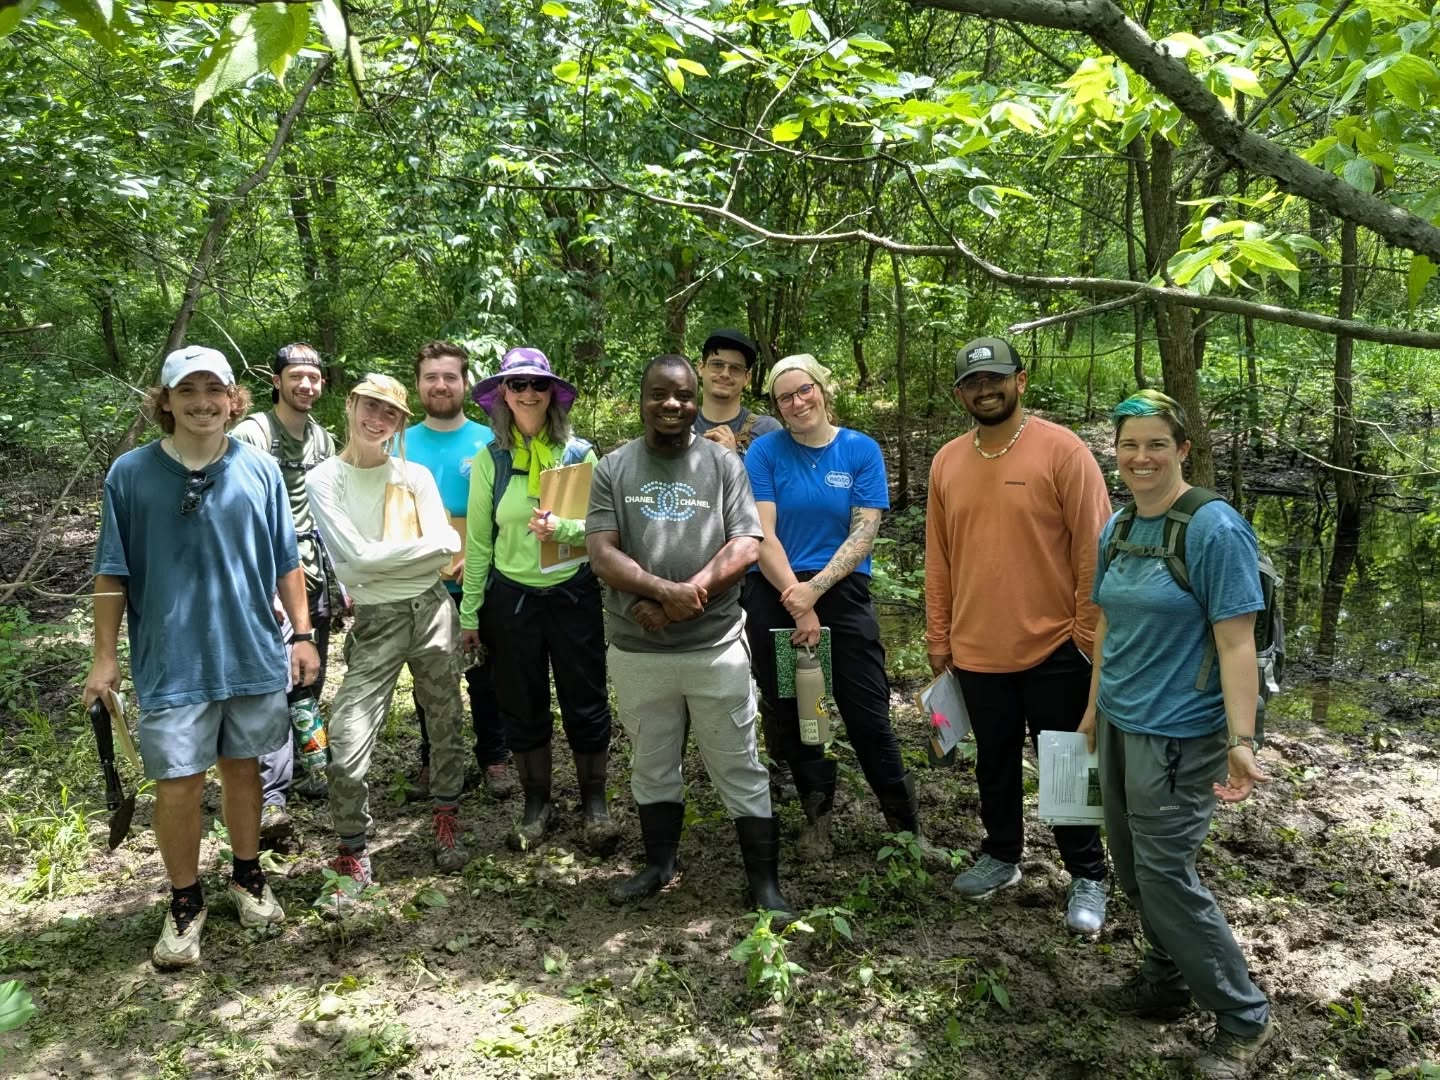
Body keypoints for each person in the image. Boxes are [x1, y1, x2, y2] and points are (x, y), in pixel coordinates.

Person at [84, 345, 318, 968]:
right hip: (172, 658)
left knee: (244, 768)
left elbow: (286, 558)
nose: (203, 402)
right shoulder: (130, 475)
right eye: (187, 391)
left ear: (233, 398)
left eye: (214, 390)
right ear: (165, 400)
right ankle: (185, 900)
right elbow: (111, 571)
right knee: (179, 783)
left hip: (250, 649)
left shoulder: (259, 469)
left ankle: (248, 876)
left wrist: (302, 634)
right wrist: (104, 657)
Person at [1080, 390, 1275, 1077]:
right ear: (1115, 452)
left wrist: (1242, 742)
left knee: (1166, 875)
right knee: (1134, 870)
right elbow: (1108, 625)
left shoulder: (1214, 529)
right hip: (1120, 722)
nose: (1142, 457)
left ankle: (1244, 1018)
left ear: (1183, 449)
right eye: (1129, 445)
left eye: (1156, 444)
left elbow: (1236, 642)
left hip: (1179, 736)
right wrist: (1093, 709)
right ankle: (1165, 983)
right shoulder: (1119, 527)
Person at [587, 354, 792, 920]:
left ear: (695, 399)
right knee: (652, 762)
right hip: (637, 649)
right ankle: (659, 865)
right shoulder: (614, 468)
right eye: (659, 394)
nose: (671, 404)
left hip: (714, 646)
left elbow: (746, 544)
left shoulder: (723, 464)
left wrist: (683, 600)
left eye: (681, 394)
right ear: (642, 400)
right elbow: (601, 551)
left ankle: (764, 884)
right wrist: (660, 591)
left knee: (739, 763)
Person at [924, 336, 1110, 934]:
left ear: (1020, 381)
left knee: (1067, 765)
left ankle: (1087, 873)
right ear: (960, 394)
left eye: (995, 379)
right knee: (994, 763)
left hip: (1056, 646)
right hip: (977, 648)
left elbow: (1095, 549)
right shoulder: (947, 461)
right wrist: (938, 633)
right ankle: (1002, 854)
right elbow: (939, 556)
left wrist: (1085, 636)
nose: (985, 391)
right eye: (972, 383)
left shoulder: (1063, 451)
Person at [742, 353, 942, 864]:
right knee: (798, 712)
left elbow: (864, 531)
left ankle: (908, 829)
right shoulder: (764, 451)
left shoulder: (859, 449)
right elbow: (762, 533)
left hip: (842, 592)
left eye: (803, 390)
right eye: (784, 397)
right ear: (776, 407)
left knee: (867, 711)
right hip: (776, 591)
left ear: (822, 389)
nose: (796, 402)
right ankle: (818, 823)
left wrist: (815, 591)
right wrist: (797, 599)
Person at [305, 374, 471, 913]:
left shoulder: (413, 474)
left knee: (445, 720)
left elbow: (448, 548)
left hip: (432, 610)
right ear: (351, 405)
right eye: (370, 407)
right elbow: (352, 562)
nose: (377, 420)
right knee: (348, 736)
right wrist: (412, 553)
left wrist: (378, 561)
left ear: (400, 423)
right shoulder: (325, 478)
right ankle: (353, 848)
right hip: (376, 620)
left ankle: (446, 816)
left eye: (390, 414)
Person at [458, 347, 618, 853]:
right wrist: (469, 614)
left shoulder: (580, 455)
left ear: (553, 393)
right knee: (520, 702)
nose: (528, 393)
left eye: (538, 384)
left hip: (572, 593)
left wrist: (562, 528)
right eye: (517, 384)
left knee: (585, 697)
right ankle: (536, 804)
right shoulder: (490, 460)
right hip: (511, 599)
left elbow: (604, 530)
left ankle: (595, 803)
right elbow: (479, 543)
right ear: (503, 394)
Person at [231, 342, 337, 842]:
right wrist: (259, 584)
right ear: (277, 381)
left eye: (313, 378)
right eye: (296, 376)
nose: (306, 385)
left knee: (310, 675)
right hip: (267, 579)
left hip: (315, 574)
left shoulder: (322, 439)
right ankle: (271, 795)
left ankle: (309, 766)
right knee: (273, 684)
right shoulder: (252, 434)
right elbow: (233, 509)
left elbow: (330, 509)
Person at [403, 341, 513, 802]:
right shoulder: (399, 442)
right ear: (418, 384)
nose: (441, 385)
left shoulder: (490, 440)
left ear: (465, 383)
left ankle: (495, 757)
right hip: (420, 580)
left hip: (480, 575)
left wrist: (482, 555)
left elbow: (507, 508)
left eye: (450, 376)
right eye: (431, 377)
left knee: (486, 673)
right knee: (429, 678)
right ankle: (436, 758)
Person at [693, 328, 781, 455]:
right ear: (701, 368)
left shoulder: (766, 430)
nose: (725, 374)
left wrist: (733, 457)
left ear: (747, 378)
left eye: (735, 368)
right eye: (717, 364)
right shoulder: (681, 425)